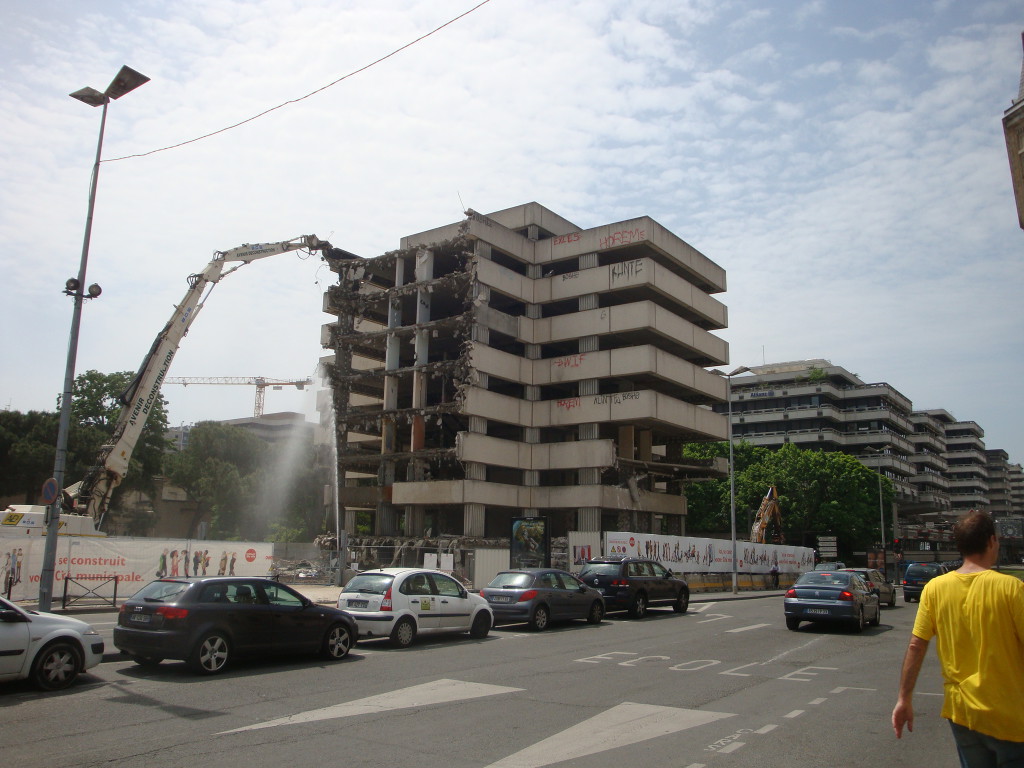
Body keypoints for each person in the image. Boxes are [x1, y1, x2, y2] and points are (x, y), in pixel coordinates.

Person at [891, 510, 1024, 766]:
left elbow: (916, 645)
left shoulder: (935, 588)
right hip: (1011, 714)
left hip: (962, 713)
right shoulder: (1011, 589)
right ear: (992, 541)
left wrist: (904, 699)